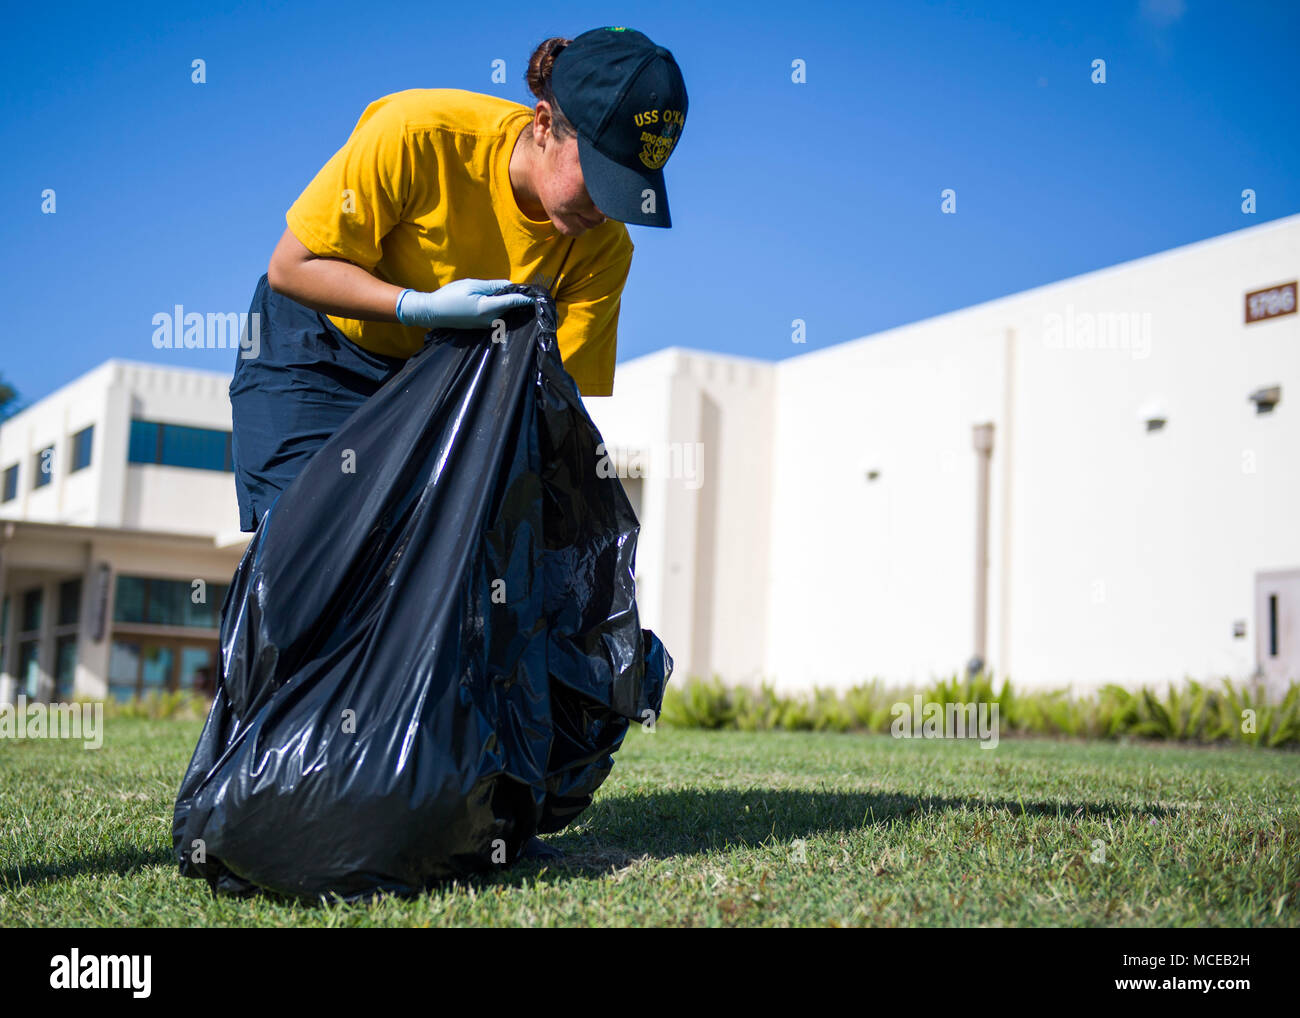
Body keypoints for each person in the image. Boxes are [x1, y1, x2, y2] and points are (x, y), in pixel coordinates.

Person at [229, 26, 689, 536]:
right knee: (307, 547)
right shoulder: (418, 135)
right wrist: (417, 306)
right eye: (600, 178)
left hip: (437, 380)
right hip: (319, 350)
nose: (606, 210)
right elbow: (292, 267)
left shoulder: (603, 250)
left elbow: (550, 411)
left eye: (626, 190)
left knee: (419, 563)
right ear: (543, 125)